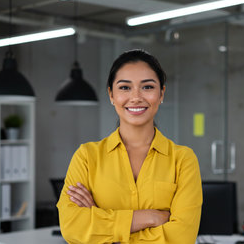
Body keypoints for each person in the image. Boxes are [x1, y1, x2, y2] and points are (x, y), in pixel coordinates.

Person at [56, 49, 203, 244]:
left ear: (161, 94)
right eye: (125, 87)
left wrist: (101, 224)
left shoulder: (183, 160)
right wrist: (149, 217)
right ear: (111, 94)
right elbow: (71, 227)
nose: (136, 97)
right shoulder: (86, 157)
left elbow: (181, 237)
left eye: (147, 87)